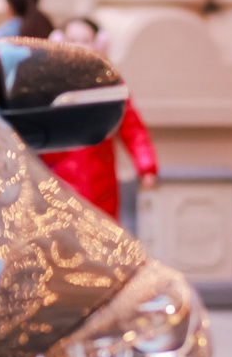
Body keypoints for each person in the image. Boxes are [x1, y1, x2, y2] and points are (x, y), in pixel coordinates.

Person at [41, 14, 159, 220]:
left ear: (99, 44)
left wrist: (146, 166)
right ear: (58, 42)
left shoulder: (110, 84)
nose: (78, 46)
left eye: (85, 40)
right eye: (72, 39)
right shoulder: (47, 85)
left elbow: (132, 127)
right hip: (57, 186)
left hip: (100, 187)